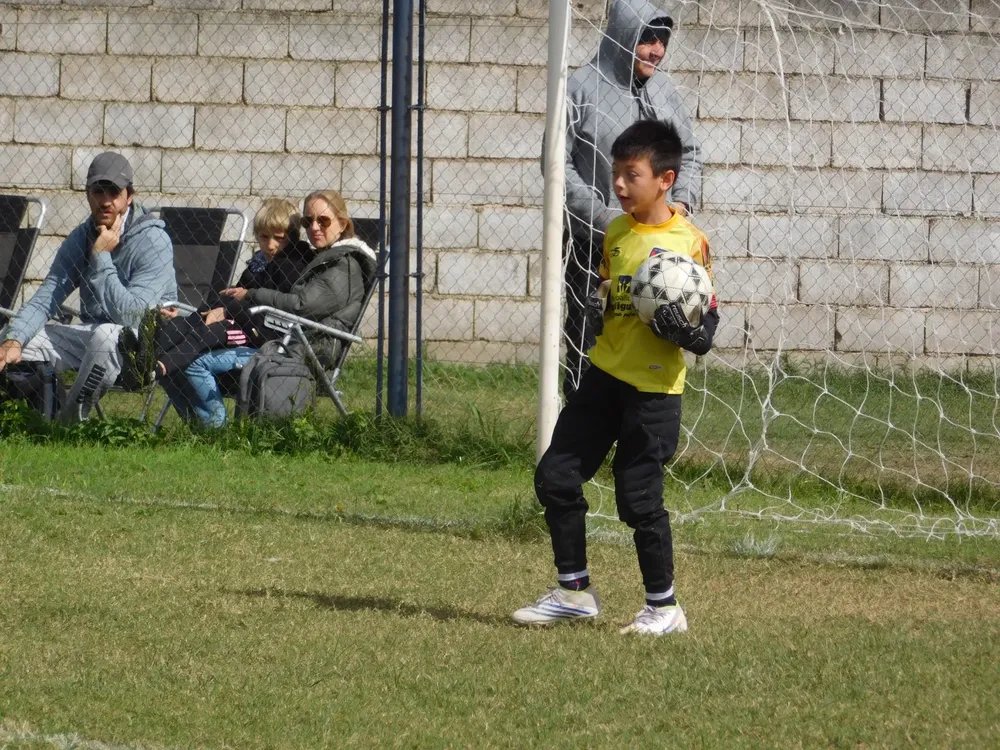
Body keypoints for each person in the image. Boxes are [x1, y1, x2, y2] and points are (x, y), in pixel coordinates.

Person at [513, 120, 719, 636]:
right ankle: (574, 592)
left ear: (666, 179)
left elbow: (707, 327)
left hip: (653, 391)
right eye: (616, 174)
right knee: (556, 476)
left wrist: (686, 333)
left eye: (632, 175)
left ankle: (664, 608)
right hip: (603, 377)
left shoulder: (689, 242)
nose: (620, 185)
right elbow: (611, 293)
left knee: (638, 497)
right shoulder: (617, 233)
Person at [561, 0, 701, 397]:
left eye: (663, 40)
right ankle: (579, 444)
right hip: (595, 247)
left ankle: (637, 437)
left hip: (658, 250)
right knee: (589, 346)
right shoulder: (580, 87)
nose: (657, 49)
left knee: (650, 347)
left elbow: (689, 152)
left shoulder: (664, 89)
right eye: (647, 39)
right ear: (623, 36)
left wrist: (683, 205)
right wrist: (603, 218)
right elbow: (557, 164)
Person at [162, 190, 376, 427]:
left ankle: (213, 432)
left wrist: (250, 296)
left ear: (342, 223)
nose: (314, 227)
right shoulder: (322, 258)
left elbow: (300, 306)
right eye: (308, 221)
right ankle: (199, 431)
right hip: (284, 340)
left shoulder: (342, 266)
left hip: (300, 351)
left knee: (194, 361)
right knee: (176, 355)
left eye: (323, 220)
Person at [0, 152, 175, 421]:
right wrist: (14, 339)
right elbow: (48, 295)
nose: (105, 201)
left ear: (129, 196)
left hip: (142, 347)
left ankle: (66, 425)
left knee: (106, 335)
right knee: (20, 336)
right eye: (98, 191)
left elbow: (133, 316)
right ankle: (33, 418)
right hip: (92, 337)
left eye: (114, 192)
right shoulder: (82, 235)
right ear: (87, 194)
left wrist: (102, 256)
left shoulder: (153, 240)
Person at [150, 198, 311, 378]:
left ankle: (158, 368)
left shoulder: (291, 266)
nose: (271, 246)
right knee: (187, 323)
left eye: (279, 238)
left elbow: (276, 311)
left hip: (264, 333)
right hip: (241, 321)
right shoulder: (258, 265)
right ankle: (143, 357)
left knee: (209, 331)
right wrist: (203, 312)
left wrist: (227, 311)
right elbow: (232, 298)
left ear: (293, 238)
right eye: (264, 237)